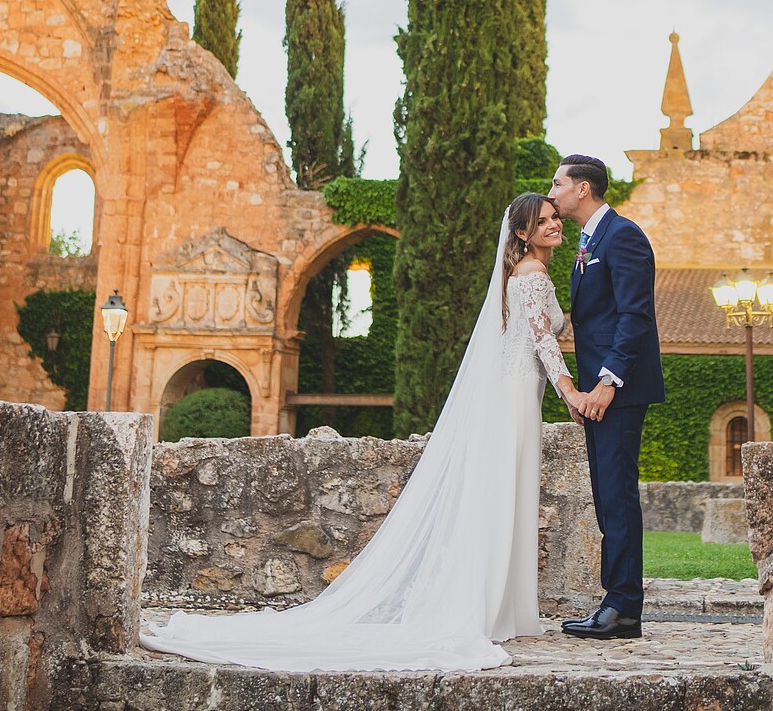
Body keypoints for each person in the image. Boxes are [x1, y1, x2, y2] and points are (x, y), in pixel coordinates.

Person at [139, 193, 578, 671]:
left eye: (555, 218)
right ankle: (493, 609)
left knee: (501, 496)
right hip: (516, 395)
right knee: (503, 496)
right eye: (544, 221)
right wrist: (570, 391)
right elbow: (542, 339)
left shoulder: (525, 275)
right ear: (521, 233)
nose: (554, 225)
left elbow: (549, 328)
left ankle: (499, 608)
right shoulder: (531, 275)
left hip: (514, 393)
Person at [548, 153, 664, 640]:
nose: (550, 192)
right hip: (598, 393)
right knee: (605, 496)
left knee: (616, 496)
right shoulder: (588, 240)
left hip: (617, 391)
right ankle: (614, 601)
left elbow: (634, 317)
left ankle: (624, 609)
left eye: (557, 183)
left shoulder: (624, 236)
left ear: (582, 189)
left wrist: (605, 384)